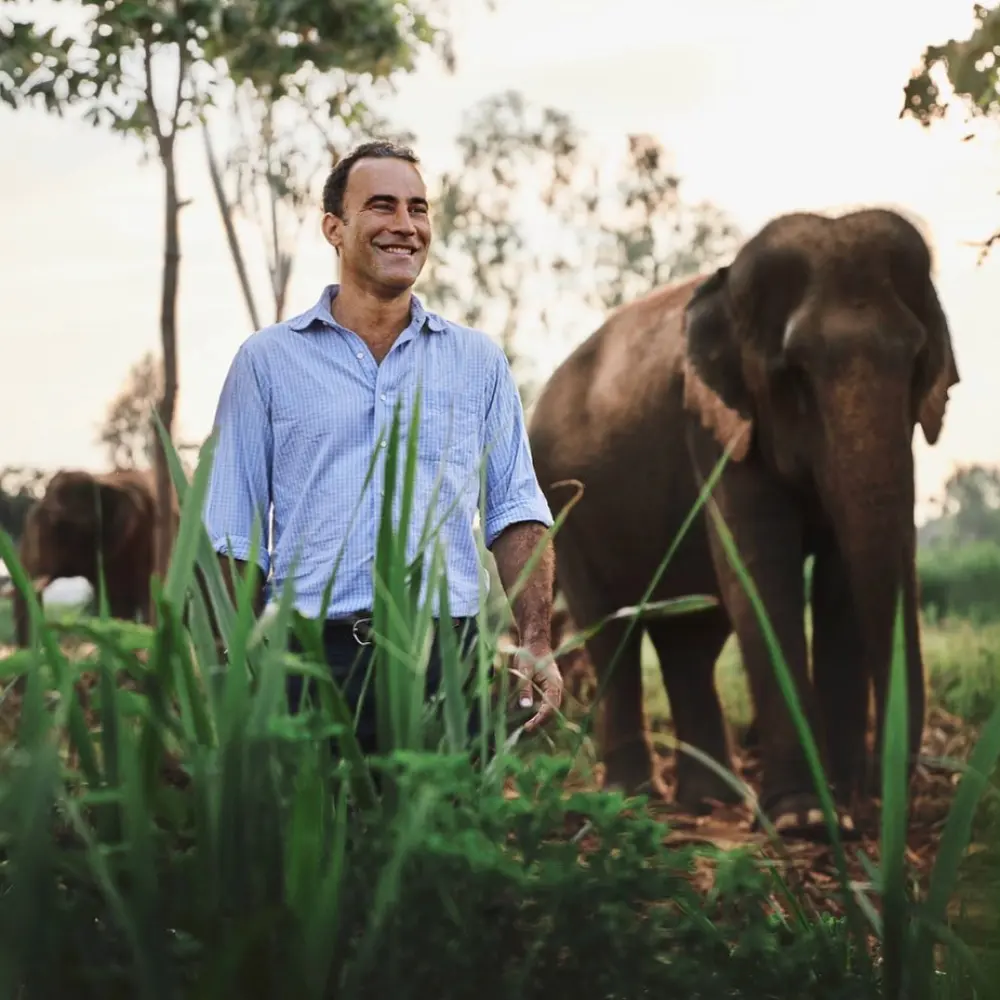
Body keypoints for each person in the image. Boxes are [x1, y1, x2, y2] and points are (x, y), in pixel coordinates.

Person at [202, 139, 563, 753]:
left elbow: (516, 514)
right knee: (317, 846)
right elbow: (234, 534)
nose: (405, 225)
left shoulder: (478, 363)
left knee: (442, 843)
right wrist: (233, 661)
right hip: (308, 661)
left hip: (446, 660)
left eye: (418, 209)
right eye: (382, 206)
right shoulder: (266, 363)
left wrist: (537, 641)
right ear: (334, 228)